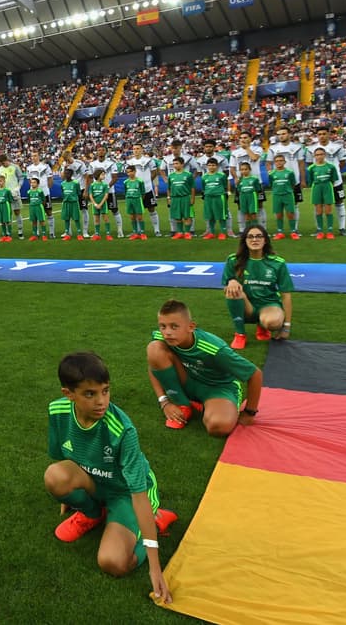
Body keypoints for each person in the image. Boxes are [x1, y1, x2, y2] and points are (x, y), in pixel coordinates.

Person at [44, 351, 177, 603]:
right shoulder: (57, 410)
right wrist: (71, 494)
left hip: (127, 493)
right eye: (90, 394)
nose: (101, 401)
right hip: (96, 484)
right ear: (68, 394)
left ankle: (152, 523)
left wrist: (155, 567)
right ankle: (92, 514)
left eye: (105, 391)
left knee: (113, 562)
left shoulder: (122, 430)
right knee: (55, 476)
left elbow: (138, 494)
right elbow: (60, 456)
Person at [147, 299, 263, 436]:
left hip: (218, 388)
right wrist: (164, 402)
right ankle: (182, 404)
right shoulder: (161, 337)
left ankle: (204, 405)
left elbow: (255, 374)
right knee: (154, 349)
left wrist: (250, 412)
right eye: (163, 326)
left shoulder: (215, 349)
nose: (167, 333)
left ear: (191, 327)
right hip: (189, 379)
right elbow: (153, 366)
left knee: (219, 426)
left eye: (174, 326)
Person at [222, 223, 294, 349]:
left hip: (268, 305)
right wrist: (231, 280)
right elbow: (226, 288)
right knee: (231, 290)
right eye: (250, 237)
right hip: (246, 305)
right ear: (245, 240)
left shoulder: (277, 263)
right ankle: (240, 334)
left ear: (265, 240)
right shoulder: (233, 260)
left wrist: (286, 327)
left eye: (259, 236)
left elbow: (286, 295)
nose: (255, 239)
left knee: (273, 322)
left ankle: (262, 325)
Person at [125, 144, 163, 236]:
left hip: (147, 189)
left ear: (142, 150)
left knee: (151, 209)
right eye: (134, 149)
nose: (136, 150)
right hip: (135, 191)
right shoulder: (130, 162)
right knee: (135, 212)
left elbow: (154, 172)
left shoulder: (149, 160)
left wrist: (146, 182)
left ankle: (157, 230)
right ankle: (137, 231)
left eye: (138, 149)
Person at [307, 146, 339, 239]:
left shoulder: (331, 167)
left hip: (327, 188)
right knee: (318, 210)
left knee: (328, 210)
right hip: (316, 188)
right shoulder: (311, 168)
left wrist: (328, 187)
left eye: (321, 154)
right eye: (317, 155)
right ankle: (320, 231)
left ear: (325, 155)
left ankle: (329, 231)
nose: (319, 156)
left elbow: (333, 180)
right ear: (314, 156)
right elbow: (311, 180)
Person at [267, 154, 300, 239]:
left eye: (281, 160)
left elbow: (293, 184)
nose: (279, 162)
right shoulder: (271, 174)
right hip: (277, 196)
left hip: (288, 195)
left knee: (290, 214)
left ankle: (293, 232)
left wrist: (287, 190)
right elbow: (271, 184)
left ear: (284, 162)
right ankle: (280, 232)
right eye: (277, 161)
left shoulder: (289, 172)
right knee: (279, 214)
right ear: (274, 162)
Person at [165, 157, 196, 239]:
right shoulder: (171, 176)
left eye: (177, 163)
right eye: (174, 164)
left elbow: (192, 188)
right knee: (177, 216)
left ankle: (187, 233)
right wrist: (168, 198)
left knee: (187, 216)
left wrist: (192, 198)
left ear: (182, 164)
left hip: (185, 197)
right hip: (175, 198)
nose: (175, 165)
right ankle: (180, 232)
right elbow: (168, 188)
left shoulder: (188, 175)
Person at [200, 158, 229, 240]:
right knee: (210, 215)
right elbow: (203, 187)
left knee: (221, 215)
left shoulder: (222, 175)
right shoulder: (204, 176)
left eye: (213, 165)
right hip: (208, 197)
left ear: (217, 166)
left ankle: (223, 233)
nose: (211, 167)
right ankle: (211, 233)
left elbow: (225, 186)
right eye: (209, 165)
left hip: (219, 197)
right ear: (207, 166)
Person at [0, 155, 23, 239]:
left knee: (17, 212)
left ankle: (20, 230)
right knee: (7, 214)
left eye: (3, 162)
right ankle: (7, 233)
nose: (2, 164)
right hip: (5, 194)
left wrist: (18, 187)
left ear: (7, 160)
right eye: (1, 163)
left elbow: (21, 178)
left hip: (14, 192)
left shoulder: (15, 167)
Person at [233, 162, 262, 237]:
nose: (244, 171)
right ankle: (248, 230)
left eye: (246, 169)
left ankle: (255, 230)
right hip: (243, 197)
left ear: (249, 170)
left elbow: (258, 189)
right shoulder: (240, 180)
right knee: (246, 214)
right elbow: (239, 189)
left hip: (252, 197)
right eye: (242, 170)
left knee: (253, 214)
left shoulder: (254, 179)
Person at [122, 165, 147, 240]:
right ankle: (135, 233)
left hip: (137, 199)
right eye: (127, 172)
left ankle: (142, 233)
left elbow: (143, 192)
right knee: (132, 217)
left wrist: (140, 199)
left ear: (134, 171)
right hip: (129, 200)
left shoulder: (140, 181)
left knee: (139, 217)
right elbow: (125, 192)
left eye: (130, 172)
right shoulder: (125, 182)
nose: (129, 173)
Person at [59, 167, 84, 240]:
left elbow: (79, 193)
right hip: (66, 203)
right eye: (65, 173)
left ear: (71, 174)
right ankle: (67, 234)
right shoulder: (62, 183)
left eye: (68, 173)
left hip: (74, 203)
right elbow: (63, 193)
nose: (67, 175)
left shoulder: (76, 183)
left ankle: (79, 234)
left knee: (76, 218)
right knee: (66, 218)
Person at [87, 168, 112, 241]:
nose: (104, 176)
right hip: (95, 205)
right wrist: (95, 204)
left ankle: (108, 234)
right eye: (102, 174)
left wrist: (100, 204)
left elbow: (106, 195)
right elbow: (90, 195)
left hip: (103, 205)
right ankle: (97, 234)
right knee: (96, 220)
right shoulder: (92, 185)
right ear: (97, 175)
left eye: (104, 174)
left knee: (106, 219)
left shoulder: (105, 185)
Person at [0, 174, 14, 241]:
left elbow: (10, 200)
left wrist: (8, 207)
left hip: (6, 206)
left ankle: (9, 235)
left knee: (7, 221)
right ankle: (4, 235)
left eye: (0, 181)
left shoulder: (7, 190)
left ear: (4, 182)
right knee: (2, 221)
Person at [27, 176, 49, 241]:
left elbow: (44, 200)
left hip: (39, 207)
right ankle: (34, 235)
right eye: (31, 182)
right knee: (34, 221)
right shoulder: (29, 192)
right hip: (32, 207)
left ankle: (44, 235)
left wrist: (41, 205)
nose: (32, 184)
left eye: (34, 182)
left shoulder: (40, 191)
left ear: (37, 184)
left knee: (42, 221)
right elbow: (29, 199)